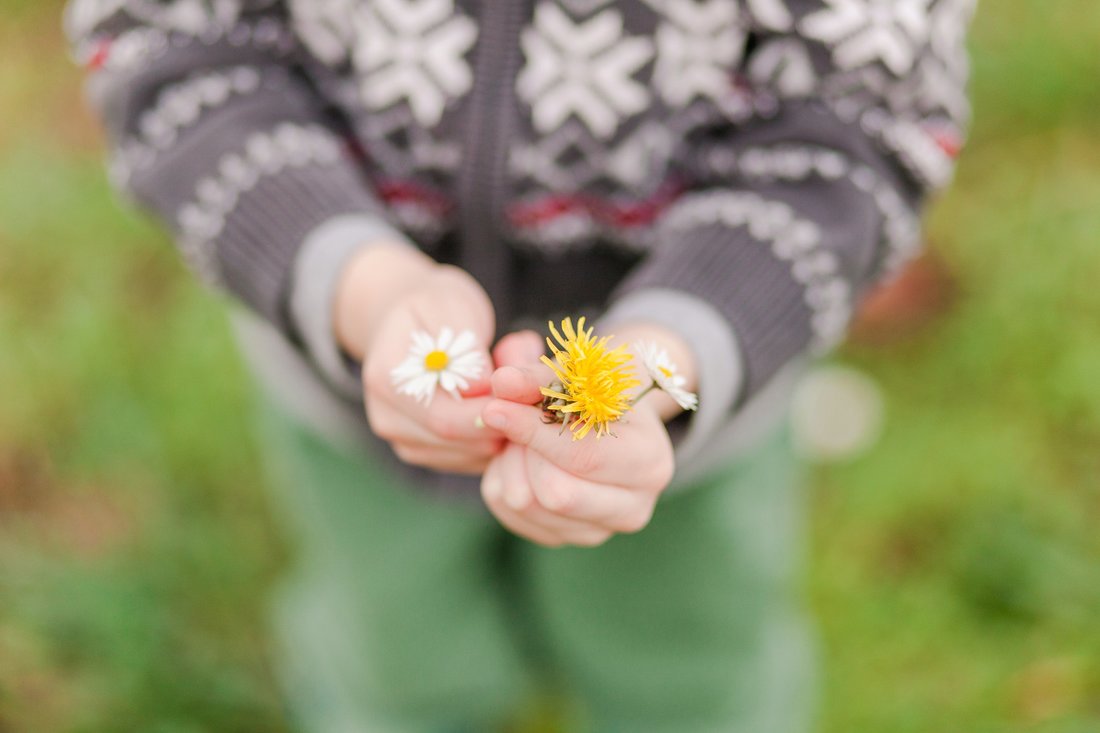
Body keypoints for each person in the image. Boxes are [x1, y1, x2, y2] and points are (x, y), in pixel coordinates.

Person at [65, 1, 973, 730]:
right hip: (345, 370)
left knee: (683, 662)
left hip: (683, 397)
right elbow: (171, 44)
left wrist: (668, 358)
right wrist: (357, 282)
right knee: (396, 652)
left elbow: (860, 121)